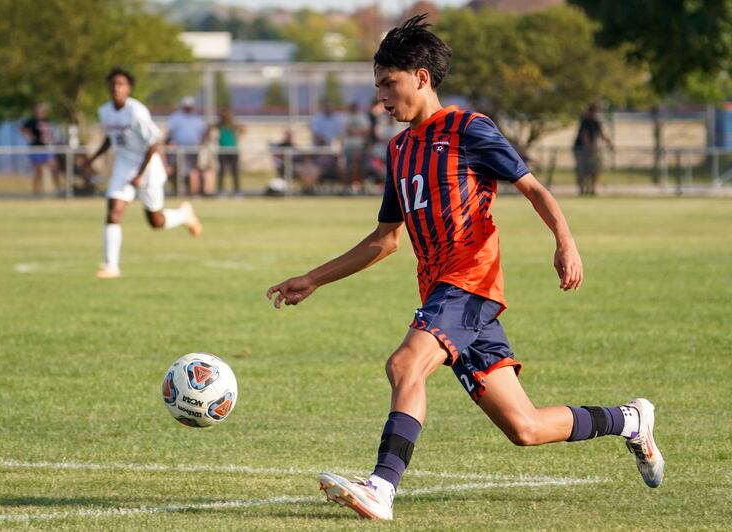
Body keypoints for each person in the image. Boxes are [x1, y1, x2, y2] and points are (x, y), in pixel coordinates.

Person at [266, 15, 663, 521]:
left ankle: (382, 489)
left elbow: (534, 188)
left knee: (404, 365)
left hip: (469, 283)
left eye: (389, 84)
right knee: (525, 427)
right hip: (445, 296)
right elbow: (387, 239)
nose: (381, 98)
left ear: (421, 78)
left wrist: (565, 240)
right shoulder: (399, 149)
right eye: (378, 86)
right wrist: (314, 278)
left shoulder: (468, 129)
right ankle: (630, 419)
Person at [84, 68, 202, 279]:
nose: (116, 88)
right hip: (124, 164)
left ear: (129, 88)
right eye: (113, 84)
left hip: (148, 166)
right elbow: (111, 138)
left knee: (155, 221)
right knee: (114, 212)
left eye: (121, 84)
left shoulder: (136, 111)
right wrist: (92, 158)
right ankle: (111, 266)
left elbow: (154, 142)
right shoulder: (105, 111)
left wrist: (140, 174)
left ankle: (184, 215)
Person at [166, 96, 211, 196]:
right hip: (178, 150)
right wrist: (170, 144)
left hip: (194, 150)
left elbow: (204, 133)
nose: (188, 109)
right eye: (186, 107)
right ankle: (177, 191)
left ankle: (193, 192)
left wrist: (202, 143)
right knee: (176, 172)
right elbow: (169, 134)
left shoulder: (197, 118)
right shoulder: (176, 117)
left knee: (193, 171)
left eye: (190, 107)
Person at [20, 103, 62, 196]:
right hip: (36, 148)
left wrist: (52, 139)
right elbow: (22, 129)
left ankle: (58, 189)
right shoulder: (31, 121)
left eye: (41, 109)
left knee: (54, 167)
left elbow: (51, 132)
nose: (39, 111)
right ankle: (36, 192)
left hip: (46, 147)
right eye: (37, 109)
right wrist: (30, 137)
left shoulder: (47, 120)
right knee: (37, 171)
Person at [573, 103, 613, 195]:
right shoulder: (585, 122)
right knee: (582, 170)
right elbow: (584, 136)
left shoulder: (596, 123)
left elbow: (601, 134)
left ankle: (592, 189)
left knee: (594, 169)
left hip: (592, 150)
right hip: (581, 149)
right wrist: (589, 147)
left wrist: (609, 143)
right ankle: (582, 190)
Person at [207, 107, 244, 196]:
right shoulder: (220, 125)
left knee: (234, 171)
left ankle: (237, 191)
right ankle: (221, 190)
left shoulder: (232, 125)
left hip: (232, 150)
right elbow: (209, 128)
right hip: (222, 150)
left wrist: (238, 136)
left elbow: (242, 129)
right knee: (222, 171)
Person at [342, 102, 370, 191]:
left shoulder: (363, 117)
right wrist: (358, 132)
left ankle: (360, 187)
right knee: (349, 168)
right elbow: (346, 130)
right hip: (349, 146)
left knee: (360, 168)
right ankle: (348, 187)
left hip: (360, 147)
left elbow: (366, 130)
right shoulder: (346, 117)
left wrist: (354, 132)